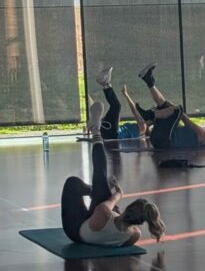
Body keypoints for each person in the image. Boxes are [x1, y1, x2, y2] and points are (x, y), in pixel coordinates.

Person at [61, 102, 165, 246]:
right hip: (93, 222)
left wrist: (119, 194)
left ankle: (96, 131)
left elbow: (109, 206)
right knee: (102, 188)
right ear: (140, 221)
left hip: (75, 231)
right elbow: (115, 224)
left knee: (74, 182)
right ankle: (95, 130)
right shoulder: (134, 235)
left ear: (128, 209)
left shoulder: (104, 212)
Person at [136, 64, 205, 150]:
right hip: (159, 139)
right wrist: (168, 107)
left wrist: (173, 108)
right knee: (164, 105)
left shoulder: (204, 136)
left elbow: (187, 121)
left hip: (164, 140)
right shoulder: (193, 137)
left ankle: (149, 115)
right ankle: (148, 80)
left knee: (179, 110)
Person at [88, 67, 148, 141]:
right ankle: (94, 123)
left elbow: (134, 111)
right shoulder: (138, 130)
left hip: (113, 134)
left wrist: (126, 95)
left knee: (116, 106)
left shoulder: (143, 127)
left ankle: (105, 83)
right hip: (109, 132)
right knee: (98, 109)